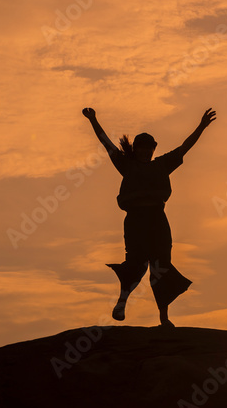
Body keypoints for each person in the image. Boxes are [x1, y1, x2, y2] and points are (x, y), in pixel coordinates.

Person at [82, 107, 216, 327]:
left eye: (149, 148)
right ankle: (122, 302)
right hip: (136, 221)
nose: (145, 152)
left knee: (161, 267)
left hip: (157, 220)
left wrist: (201, 126)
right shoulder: (127, 166)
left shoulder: (162, 165)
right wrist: (93, 120)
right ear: (135, 150)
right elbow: (106, 143)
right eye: (141, 148)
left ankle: (163, 318)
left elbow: (185, 147)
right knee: (135, 263)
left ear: (153, 150)